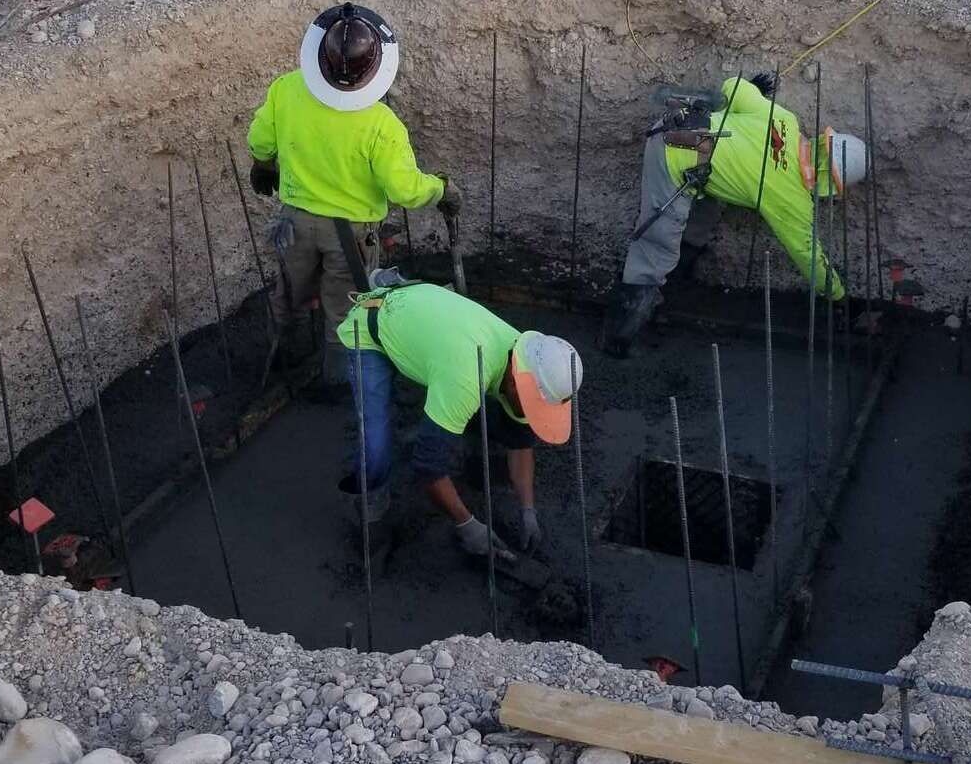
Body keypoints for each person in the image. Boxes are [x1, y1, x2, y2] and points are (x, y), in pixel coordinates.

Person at [247, 3, 459, 367]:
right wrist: (441, 189)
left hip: (294, 223)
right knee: (344, 312)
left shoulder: (287, 89)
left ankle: (283, 362)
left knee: (289, 298)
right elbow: (404, 189)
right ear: (375, 68)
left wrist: (263, 164)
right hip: (349, 236)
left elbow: (260, 141)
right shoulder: (381, 124)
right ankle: (336, 383)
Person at [602, 73, 866, 355]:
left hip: (680, 131)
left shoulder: (785, 120)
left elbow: (732, 87)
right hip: (671, 156)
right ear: (831, 184)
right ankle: (618, 340)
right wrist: (838, 296)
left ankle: (671, 292)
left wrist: (754, 90)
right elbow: (808, 255)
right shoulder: (790, 197)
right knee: (657, 248)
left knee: (702, 219)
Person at [337, 281, 581, 558]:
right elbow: (428, 466)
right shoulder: (467, 376)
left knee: (480, 410)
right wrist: (467, 525)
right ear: (516, 382)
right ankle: (372, 515)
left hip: (427, 319)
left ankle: (457, 440)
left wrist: (528, 510)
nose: (532, 412)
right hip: (376, 328)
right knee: (376, 445)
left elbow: (520, 441)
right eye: (532, 404)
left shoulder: (527, 356)